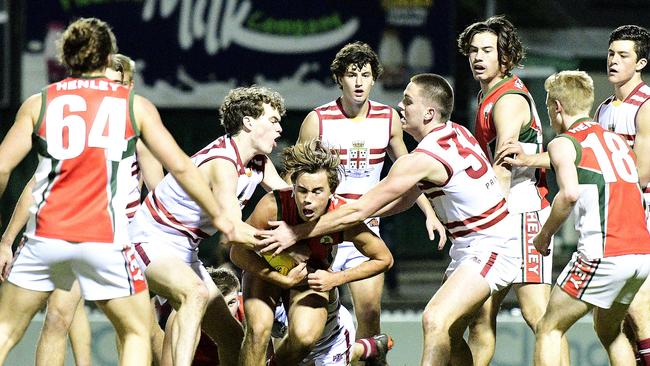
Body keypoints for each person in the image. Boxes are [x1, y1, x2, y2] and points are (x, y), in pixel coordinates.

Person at [0, 17, 249, 365]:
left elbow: (4, 168)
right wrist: (223, 215)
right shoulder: (132, 106)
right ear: (107, 58)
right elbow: (181, 167)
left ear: (66, 58)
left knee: (7, 329)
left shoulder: (40, 102)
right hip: (107, 238)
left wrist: (5, 239)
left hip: (51, 234)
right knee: (131, 329)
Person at [260, 74, 523, 365]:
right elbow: (403, 200)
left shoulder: (421, 159)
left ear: (429, 113)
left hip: (491, 244)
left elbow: (359, 210)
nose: (401, 105)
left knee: (435, 318)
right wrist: (357, 214)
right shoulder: (456, 132)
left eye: (408, 101)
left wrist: (296, 232)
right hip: (477, 243)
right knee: (449, 333)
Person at [129, 85, 289, 366]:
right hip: (148, 241)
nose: (279, 129)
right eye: (273, 120)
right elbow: (234, 230)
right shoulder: (223, 163)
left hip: (185, 251)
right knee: (195, 293)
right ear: (249, 122)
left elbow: (290, 199)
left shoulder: (258, 162)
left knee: (230, 335)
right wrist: (286, 256)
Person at [296, 41, 442, 340]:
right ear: (339, 79)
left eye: (365, 74)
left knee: (370, 314)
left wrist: (430, 213)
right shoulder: (318, 120)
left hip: (365, 230)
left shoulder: (388, 119)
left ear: (374, 78)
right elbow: (294, 179)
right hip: (325, 229)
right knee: (309, 321)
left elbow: (410, 171)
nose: (359, 81)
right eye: (352, 75)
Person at [456, 15, 570, 365]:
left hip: (521, 216)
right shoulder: (487, 93)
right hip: (502, 216)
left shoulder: (507, 100)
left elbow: (504, 163)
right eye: (473, 50)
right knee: (480, 318)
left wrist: (482, 216)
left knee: (540, 317)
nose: (478, 57)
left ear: (504, 58)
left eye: (487, 51)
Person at [231, 139, 394, 365]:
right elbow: (237, 253)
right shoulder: (273, 205)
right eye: (302, 191)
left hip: (310, 276)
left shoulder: (342, 216)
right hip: (267, 268)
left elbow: (384, 258)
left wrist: (336, 278)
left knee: (305, 339)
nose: (308, 200)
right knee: (258, 331)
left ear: (332, 191)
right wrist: (281, 278)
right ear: (293, 187)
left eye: (317, 191)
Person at [533, 70, 650, 365]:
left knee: (549, 327)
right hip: (640, 255)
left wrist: (544, 235)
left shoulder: (563, 142)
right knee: (609, 331)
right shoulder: (616, 141)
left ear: (557, 107)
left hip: (603, 253)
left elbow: (568, 195)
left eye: (548, 105)